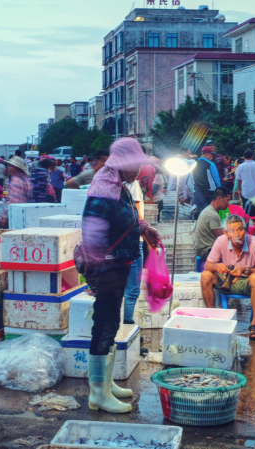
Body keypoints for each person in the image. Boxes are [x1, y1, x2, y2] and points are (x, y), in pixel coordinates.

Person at [80, 138, 161, 414]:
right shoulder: (104, 191)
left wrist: (145, 228)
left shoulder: (119, 185)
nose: (139, 170)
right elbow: (91, 236)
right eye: (135, 165)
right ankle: (98, 394)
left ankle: (105, 383)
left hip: (117, 266)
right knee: (104, 326)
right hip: (107, 270)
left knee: (111, 324)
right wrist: (98, 279)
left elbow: (129, 215)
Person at [200, 214, 255, 338]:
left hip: (248, 283)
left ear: (245, 230)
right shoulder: (221, 241)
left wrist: (245, 269)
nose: (237, 234)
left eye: (240, 229)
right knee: (206, 275)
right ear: (226, 233)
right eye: (232, 231)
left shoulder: (254, 242)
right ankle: (212, 318)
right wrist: (217, 266)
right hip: (227, 281)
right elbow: (207, 265)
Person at [195, 187, 232, 261]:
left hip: (205, 250)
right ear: (219, 199)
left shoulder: (208, 210)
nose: (228, 203)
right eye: (227, 200)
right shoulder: (212, 214)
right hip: (207, 251)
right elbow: (222, 239)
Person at [1, 156, 32, 228]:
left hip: (16, 213)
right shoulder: (26, 179)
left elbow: (13, 200)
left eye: (11, 166)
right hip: (25, 212)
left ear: (16, 168)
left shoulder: (15, 180)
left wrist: (5, 216)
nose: (9, 168)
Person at [193, 147, 222, 213]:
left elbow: (188, 180)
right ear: (206, 155)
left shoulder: (193, 164)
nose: (212, 158)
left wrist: (193, 190)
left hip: (197, 193)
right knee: (210, 213)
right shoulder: (211, 164)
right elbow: (217, 180)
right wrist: (220, 192)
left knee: (198, 214)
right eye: (211, 156)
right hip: (209, 193)